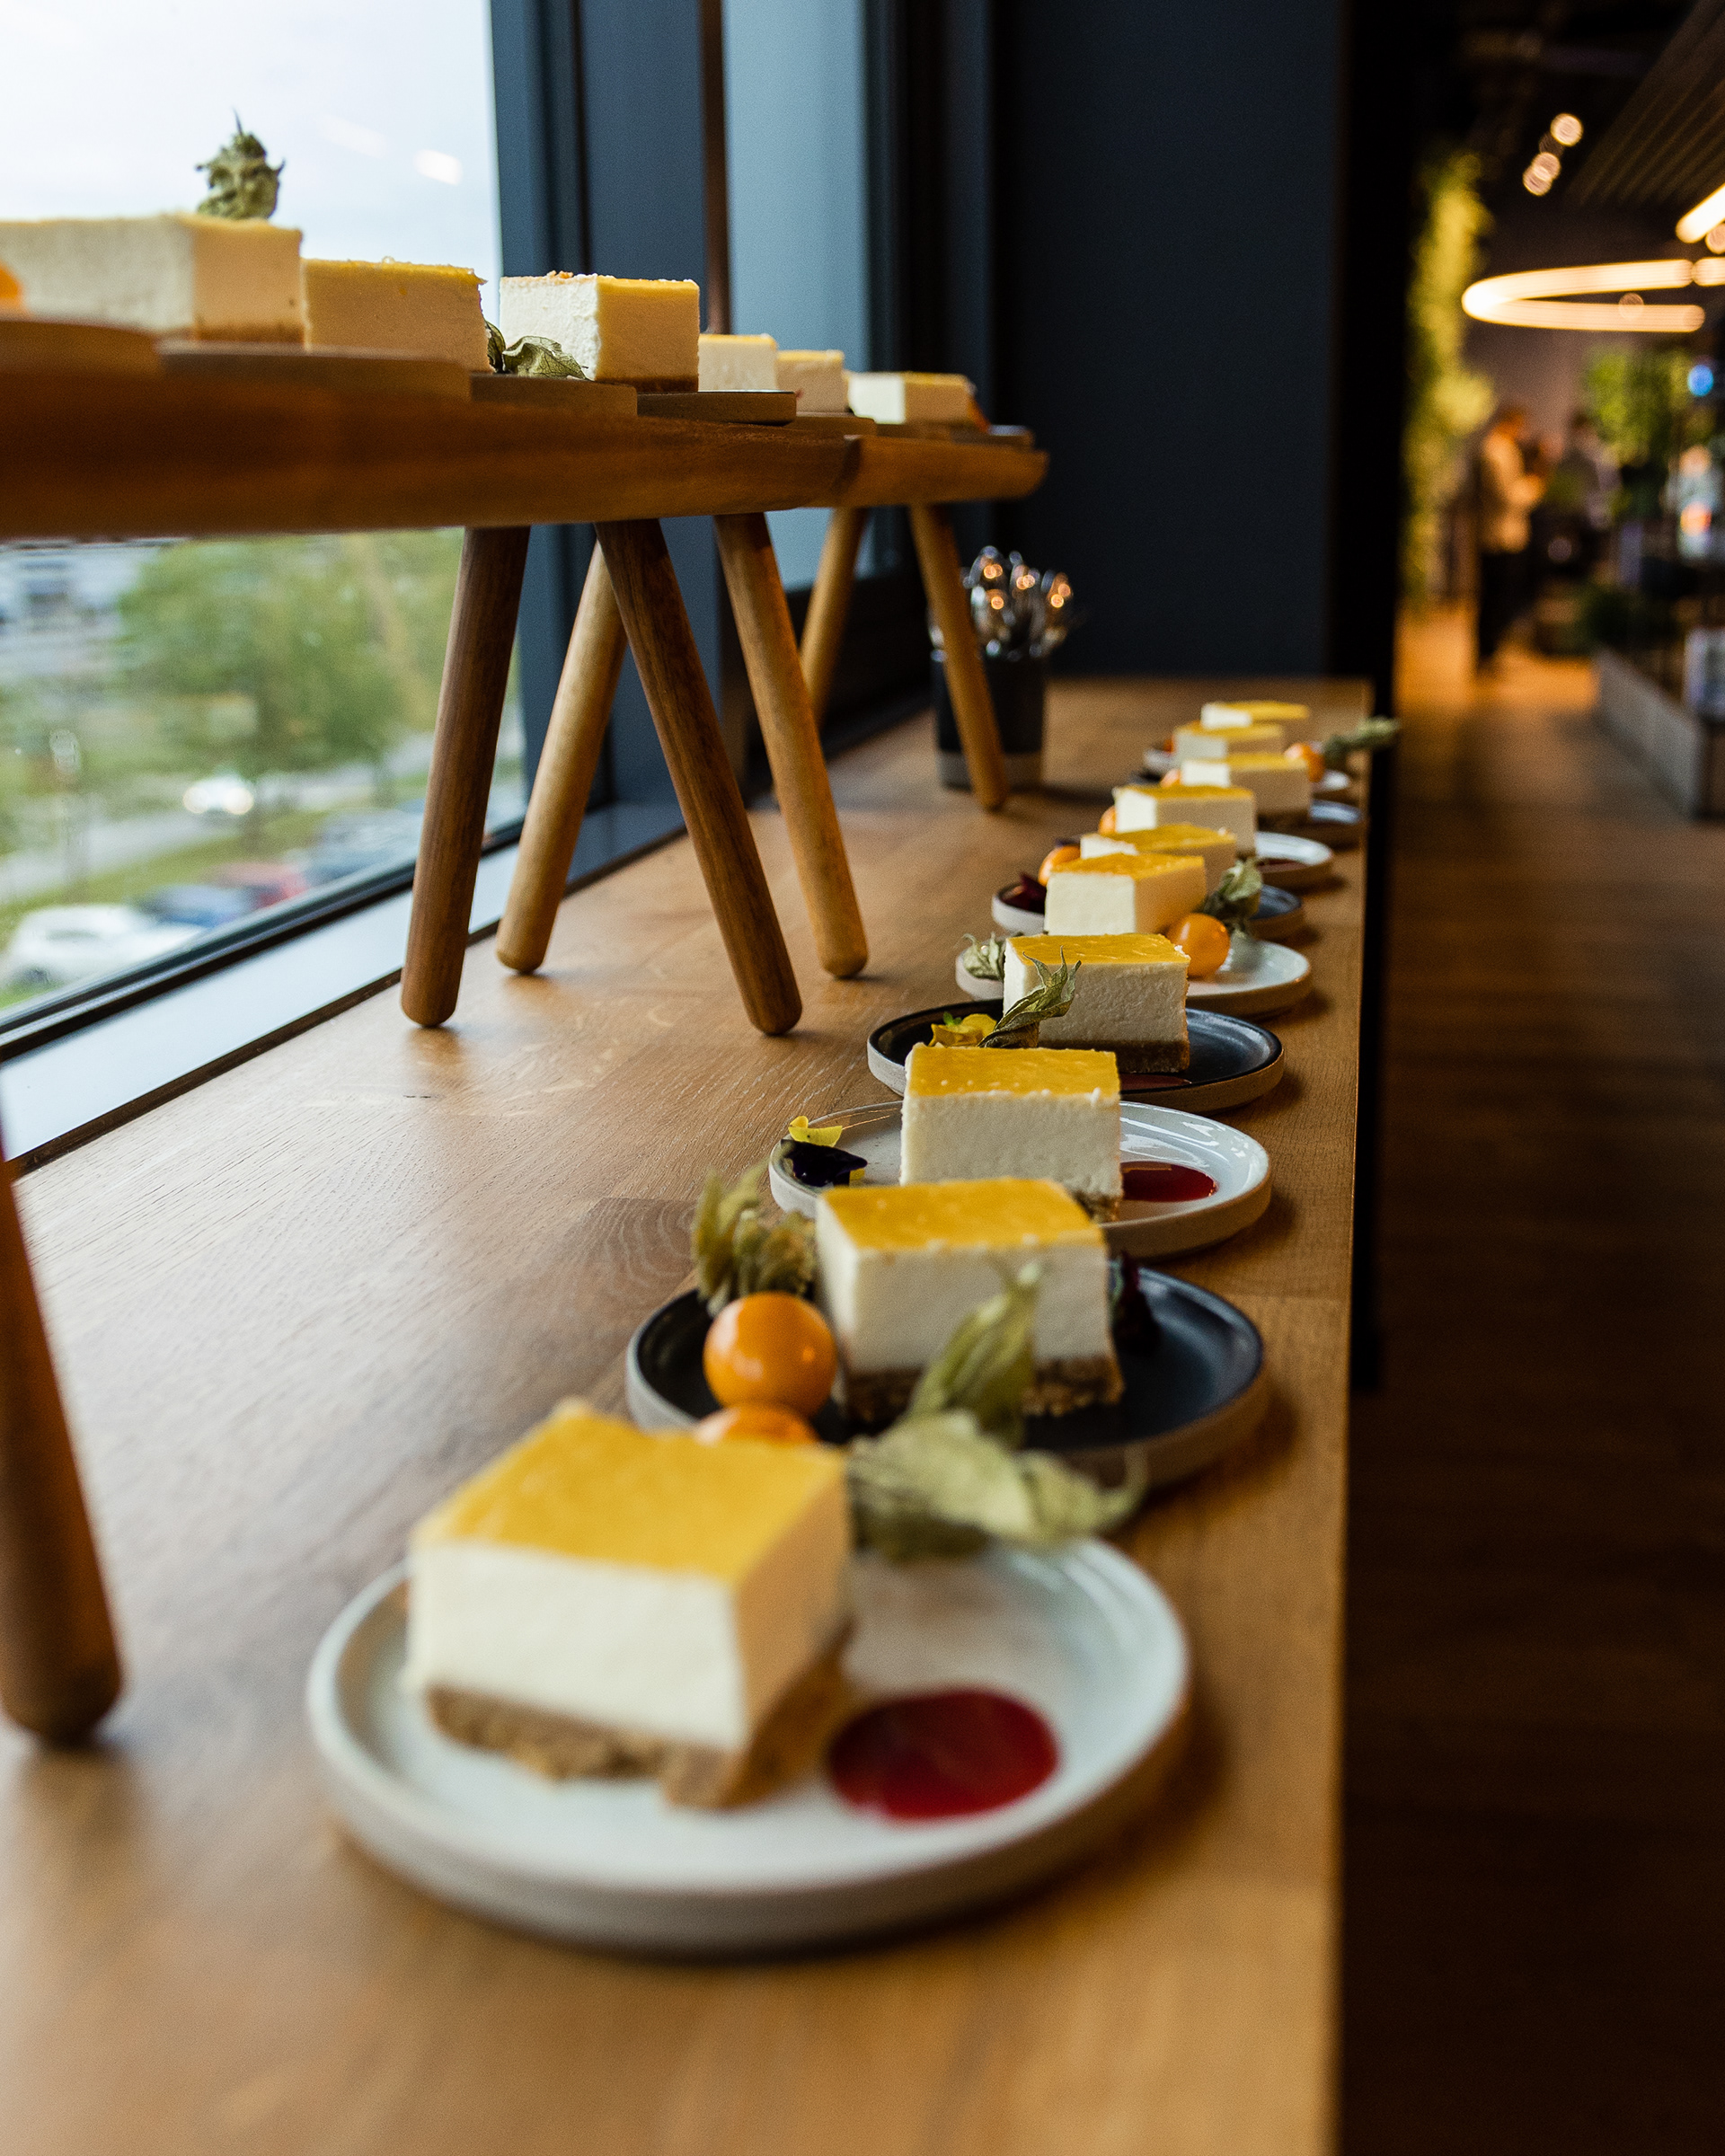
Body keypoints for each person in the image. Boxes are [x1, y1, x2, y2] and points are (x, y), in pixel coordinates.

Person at [1475, 404, 1545, 668]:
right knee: (1495, 598)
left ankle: (1490, 653)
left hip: (1501, 533)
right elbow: (1506, 497)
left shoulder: (1499, 450)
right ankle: (1487, 654)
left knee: (1496, 597)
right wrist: (1534, 486)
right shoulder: (1496, 452)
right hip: (1499, 536)